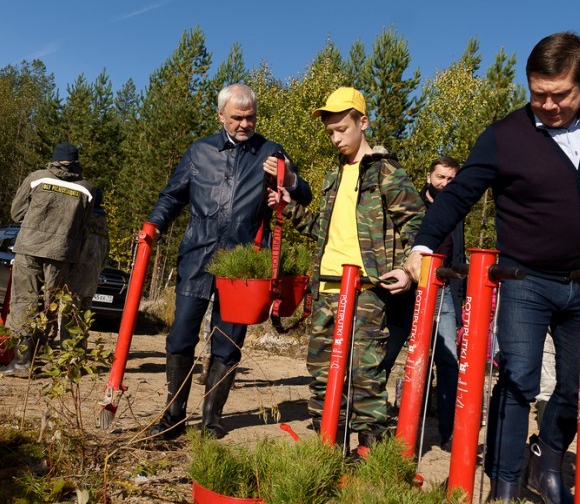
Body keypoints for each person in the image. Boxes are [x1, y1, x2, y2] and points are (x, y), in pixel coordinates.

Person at [405, 32, 580, 503]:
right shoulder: (504, 136)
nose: (549, 105)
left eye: (561, 95)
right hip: (525, 280)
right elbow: (458, 195)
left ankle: (548, 454)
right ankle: (505, 484)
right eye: (538, 94)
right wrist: (423, 245)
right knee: (518, 380)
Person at [147, 83, 312, 440]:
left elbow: (305, 193)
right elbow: (172, 197)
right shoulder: (199, 151)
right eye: (237, 117)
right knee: (180, 337)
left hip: (243, 267)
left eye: (250, 117)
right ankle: (173, 416)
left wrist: (289, 179)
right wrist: (155, 225)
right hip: (197, 257)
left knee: (227, 342)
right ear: (221, 115)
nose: (244, 123)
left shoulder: (271, 151)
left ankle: (212, 420)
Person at [269, 87, 425, 449]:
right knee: (323, 376)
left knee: (365, 375)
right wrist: (289, 207)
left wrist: (409, 270)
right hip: (326, 290)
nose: (336, 137)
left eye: (342, 128)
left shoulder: (386, 172)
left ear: (363, 122)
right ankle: (330, 449)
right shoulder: (333, 177)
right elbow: (323, 232)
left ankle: (371, 457)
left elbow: (419, 227)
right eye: (330, 132)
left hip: (368, 291)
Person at [380, 156, 466, 449]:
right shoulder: (409, 205)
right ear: (430, 177)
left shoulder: (457, 213)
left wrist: (460, 300)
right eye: (441, 177)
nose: (445, 184)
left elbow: (458, 257)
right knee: (386, 355)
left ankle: (448, 432)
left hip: (441, 291)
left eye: (451, 179)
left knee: (448, 360)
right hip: (405, 291)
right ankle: (370, 419)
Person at [1, 142, 94, 377]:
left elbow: (16, 213)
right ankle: (42, 355)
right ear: (76, 161)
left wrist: (37, 223)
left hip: (30, 248)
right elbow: (83, 226)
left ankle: (22, 362)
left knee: (25, 301)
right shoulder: (86, 189)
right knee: (50, 304)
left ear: (55, 158)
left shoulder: (37, 178)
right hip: (62, 254)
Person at [64, 189, 110, 344]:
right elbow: (105, 258)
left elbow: (71, 250)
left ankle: (68, 353)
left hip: (75, 277)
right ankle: (79, 351)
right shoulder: (104, 227)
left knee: (69, 316)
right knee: (83, 317)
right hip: (92, 280)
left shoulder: (82, 223)